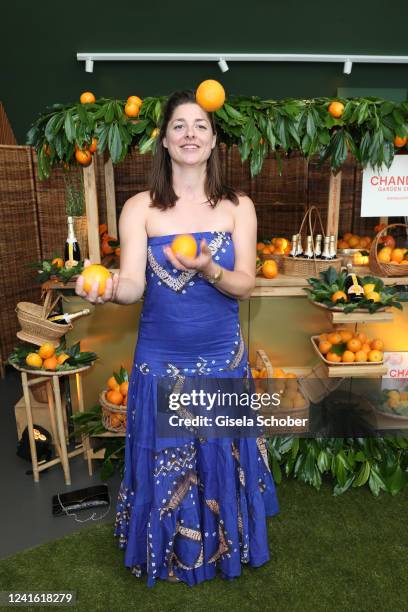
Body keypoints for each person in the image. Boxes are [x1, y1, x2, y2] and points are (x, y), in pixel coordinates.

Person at [76, 89, 279, 587]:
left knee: (219, 452)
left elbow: (246, 284)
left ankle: (224, 546)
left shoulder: (239, 207)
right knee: (165, 457)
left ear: (213, 143)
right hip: (159, 358)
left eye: (200, 126)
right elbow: (132, 287)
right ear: (164, 141)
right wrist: (103, 291)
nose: (190, 133)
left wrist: (209, 266)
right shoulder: (139, 207)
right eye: (179, 126)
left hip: (220, 357)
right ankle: (167, 551)